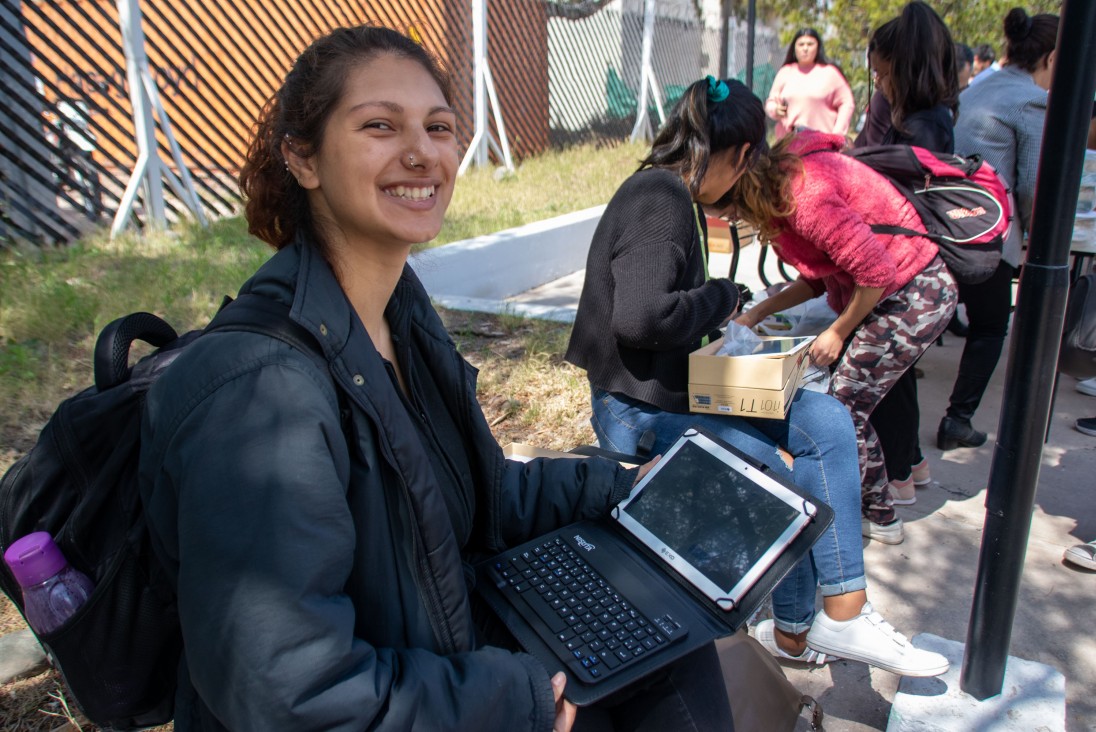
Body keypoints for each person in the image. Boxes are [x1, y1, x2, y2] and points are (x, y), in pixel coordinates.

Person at [138, 25, 740, 731]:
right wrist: (510, 699)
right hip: (400, 694)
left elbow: (476, 496)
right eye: (379, 126)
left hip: (441, 643)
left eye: (438, 127)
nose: (421, 151)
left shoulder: (401, 311)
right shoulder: (255, 391)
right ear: (302, 158)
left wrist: (626, 485)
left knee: (667, 634)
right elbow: (286, 692)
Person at [566, 76, 949, 677]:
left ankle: (837, 616)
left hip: (677, 386)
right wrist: (721, 297)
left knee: (824, 417)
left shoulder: (669, 194)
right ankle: (795, 631)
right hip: (638, 405)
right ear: (743, 152)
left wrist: (731, 329)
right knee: (772, 472)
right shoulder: (660, 201)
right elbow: (640, 319)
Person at [726, 122, 958, 546]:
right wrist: (757, 312)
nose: (736, 221)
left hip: (913, 292)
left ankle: (880, 515)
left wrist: (837, 330)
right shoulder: (786, 190)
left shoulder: (805, 197)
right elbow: (820, 275)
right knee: (861, 395)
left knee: (843, 410)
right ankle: (906, 475)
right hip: (891, 290)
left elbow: (874, 272)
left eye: (735, 213)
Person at [938, 7, 1059, 451]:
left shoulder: (981, 85)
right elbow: (1032, 185)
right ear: (1050, 57)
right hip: (983, 233)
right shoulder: (1030, 99)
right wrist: (1032, 242)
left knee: (937, 313)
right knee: (991, 326)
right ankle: (958, 420)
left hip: (940, 222)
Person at [859, 1, 959, 508]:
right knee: (899, 376)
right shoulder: (925, 115)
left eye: (880, 75)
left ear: (901, 66)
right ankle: (912, 460)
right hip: (908, 269)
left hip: (905, 272)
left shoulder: (922, 127)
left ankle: (894, 478)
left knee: (880, 383)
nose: (877, 85)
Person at [764, 28, 855, 139]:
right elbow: (771, 102)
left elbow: (847, 103)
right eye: (801, 44)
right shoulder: (785, 72)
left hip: (822, 143)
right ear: (794, 48)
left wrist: (837, 134)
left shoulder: (830, 73)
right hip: (790, 144)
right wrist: (775, 109)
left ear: (818, 47)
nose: (805, 48)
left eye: (810, 44)